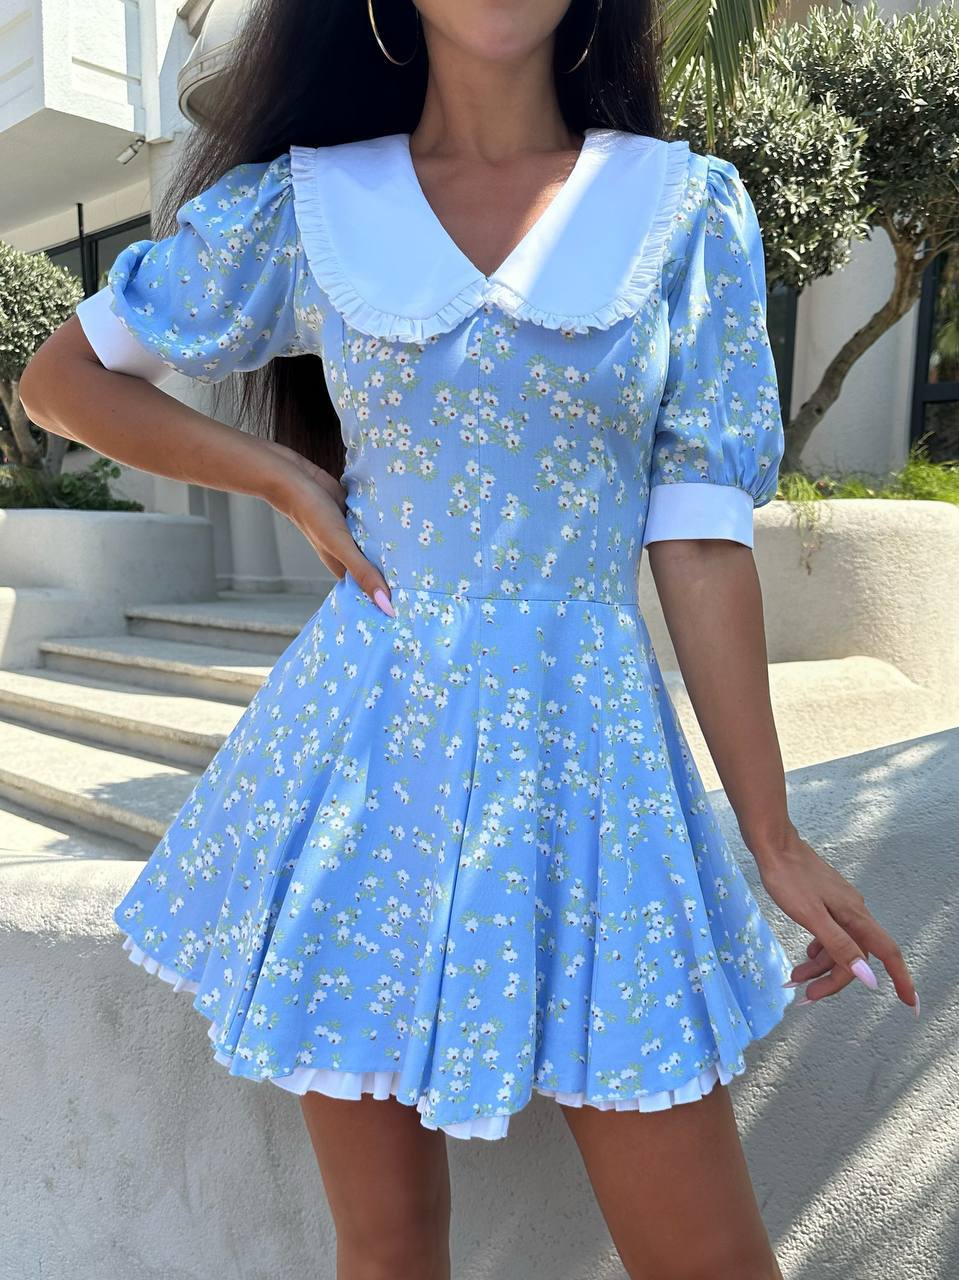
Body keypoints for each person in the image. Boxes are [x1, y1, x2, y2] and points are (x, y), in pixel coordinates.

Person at [19, 1, 920, 1276]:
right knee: (388, 1247)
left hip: (594, 771)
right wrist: (281, 477)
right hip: (364, 764)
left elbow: (700, 538)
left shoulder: (680, 208)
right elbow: (61, 381)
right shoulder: (309, 205)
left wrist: (769, 834)